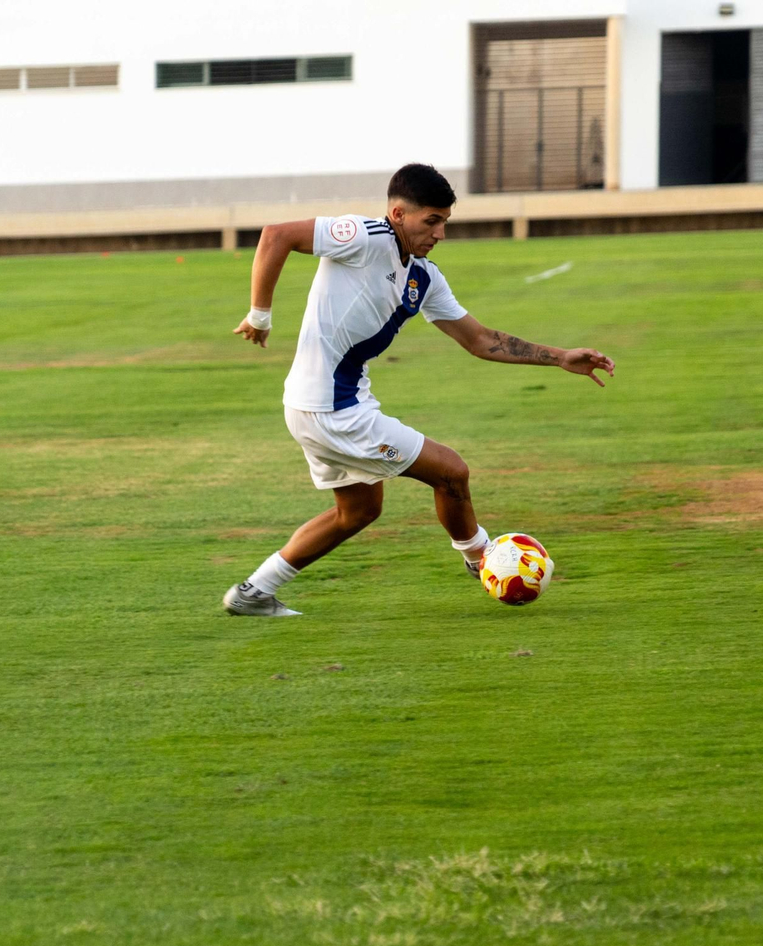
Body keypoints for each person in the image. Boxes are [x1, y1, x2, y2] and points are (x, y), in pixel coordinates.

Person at [223, 163, 615, 617]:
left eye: (445, 221)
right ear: (398, 214)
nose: (440, 233)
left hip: (330, 404)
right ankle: (483, 559)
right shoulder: (364, 236)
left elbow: (480, 339)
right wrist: (260, 315)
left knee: (358, 512)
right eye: (432, 221)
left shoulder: (423, 277)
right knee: (451, 472)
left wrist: (560, 356)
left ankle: (253, 593)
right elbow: (276, 235)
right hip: (330, 409)